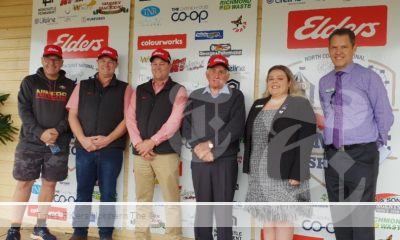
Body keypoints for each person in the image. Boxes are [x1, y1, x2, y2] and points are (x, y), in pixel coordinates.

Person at [319, 28, 394, 240]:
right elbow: (328, 114)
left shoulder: (368, 77)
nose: (338, 51)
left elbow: (384, 115)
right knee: (341, 217)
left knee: (361, 217)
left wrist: (371, 146)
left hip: (361, 154)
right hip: (334, 155)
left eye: (344, 46)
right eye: (334, 47)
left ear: (354, 48)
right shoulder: (325, 81)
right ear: (328, 50)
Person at [6, 45, 75, 240]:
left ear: (61, 62)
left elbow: (71, 113)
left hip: (57, 143)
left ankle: (40, 227)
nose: (52, 62)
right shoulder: (30, 82)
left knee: (49, 184)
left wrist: (57, 131)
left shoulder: (70, 85)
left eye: (56, 59)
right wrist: (40, 133)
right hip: (30, 143)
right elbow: (24, 111)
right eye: (48, 59)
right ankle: (14, 229)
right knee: (24, 183)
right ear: (43, 60)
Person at [243, 65, 316, 240]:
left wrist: (297, 172)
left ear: (289, 82)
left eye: (280, 78)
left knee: (283, 218)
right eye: (271, 78)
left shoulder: (299, 103)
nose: (274, 81)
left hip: (285, 171)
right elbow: (249, 136)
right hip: (259, 172)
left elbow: (306, 140)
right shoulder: (258, 104)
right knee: (267, 218)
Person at [67, 46, 132, 240]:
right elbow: (72, 115)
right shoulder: (82, 86)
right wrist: (83, 139)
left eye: (111, 61)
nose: (107, 64)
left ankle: (105, 235)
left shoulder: (125, 88)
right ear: (97, 63)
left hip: (111, 150)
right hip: (85, 148)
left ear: (116, 65)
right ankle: (79, 233)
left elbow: (128, 120)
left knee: (108, 194)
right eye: (103, 61)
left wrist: (108, 139)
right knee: (83, 192)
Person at [182, 54, 245, 240]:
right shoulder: (195, 96)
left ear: (227, 76)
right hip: (199, 160)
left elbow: (236, 127)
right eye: (213, 71)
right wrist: (198, 149)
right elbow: (186, 126)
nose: (217, 75)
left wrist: (210, 147)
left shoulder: (236, 96)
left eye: (221, 71)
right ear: (206, 74)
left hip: (225, 160)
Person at [126, 48, 187, 240]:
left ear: (170, 66)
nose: (158, 67)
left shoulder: (179, 90)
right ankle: (141, 236)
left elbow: (174, 122)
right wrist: (139, 144)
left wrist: (151, 142)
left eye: (162, 63)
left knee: (171, 200)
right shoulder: (140, 89)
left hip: (167, 153)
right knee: (142, 200)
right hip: (140, 154)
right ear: (151, 65)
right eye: (154, 63)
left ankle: (173, 237)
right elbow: (130, 118)